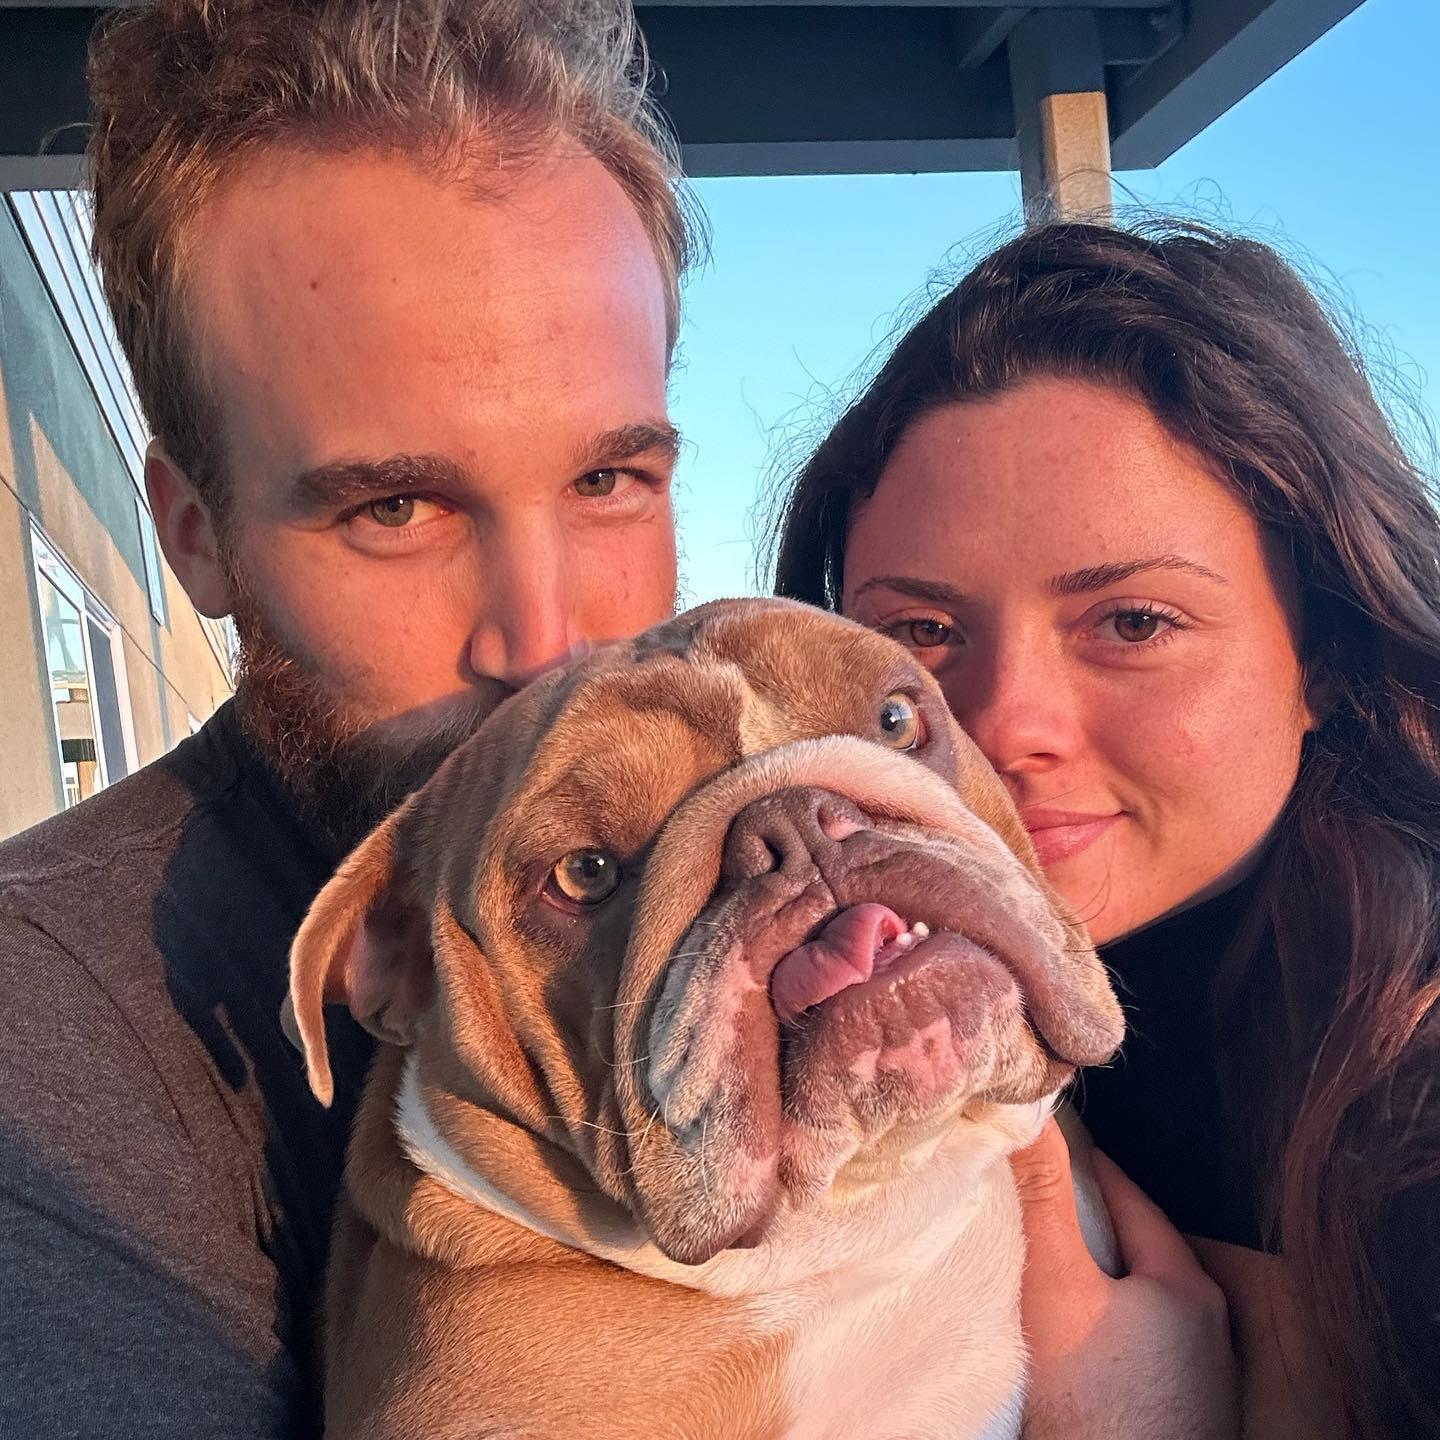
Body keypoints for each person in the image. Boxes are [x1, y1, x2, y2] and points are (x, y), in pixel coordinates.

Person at [0, 0, 697, 1433]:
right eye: (397, 506)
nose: (551, 644)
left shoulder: (785, 865)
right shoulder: (49, 1043)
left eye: (609, 481)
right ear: (195, 534)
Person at [769, 219, 1440, 1440]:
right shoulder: (765, 1010)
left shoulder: (1411, 1117)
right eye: (918, 635)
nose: (997, 727)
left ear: (1328, 659)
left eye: (1132, 623)